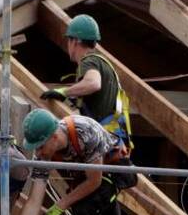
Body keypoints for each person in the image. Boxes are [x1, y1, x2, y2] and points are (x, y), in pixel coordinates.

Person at [18, 108, 138, 215]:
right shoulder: (43, 156)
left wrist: (59, 206)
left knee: (84, 211)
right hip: (88, 176)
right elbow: (34, 200)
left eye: (40, 147)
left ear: (54, 137)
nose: (38, 153)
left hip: (113, 169)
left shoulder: (84, 132)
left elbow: (94, 181)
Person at [40, 14, 131, 148]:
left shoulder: (89, 61)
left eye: (69, 40)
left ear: (75, 41)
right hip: (115, 139)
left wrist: (64, 92)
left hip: (106, 139)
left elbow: (93, 84)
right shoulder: (102, 63)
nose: (68, 45)